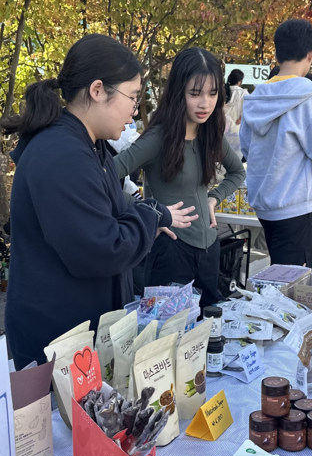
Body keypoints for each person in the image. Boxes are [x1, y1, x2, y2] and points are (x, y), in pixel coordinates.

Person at [4, 34, 196, 369]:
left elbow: (113, 220)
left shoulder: (89, 147)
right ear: (97, 90)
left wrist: (149, 220)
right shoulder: (62, 155)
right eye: (132, 98)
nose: (134, 112)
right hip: (56, 344)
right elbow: (102, 249)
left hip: (79, 336)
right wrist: (149, 217)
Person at [114, 47, 245, 308]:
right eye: (195, 93)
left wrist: (213, 198)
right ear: (178, 93)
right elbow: (101, 177)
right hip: (171, 250)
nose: (205, 103)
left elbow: (238, 172)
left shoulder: (212, 134)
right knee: (166, 339)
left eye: (212, 93)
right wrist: (147, 213)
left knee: (209, 334)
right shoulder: (157, 138)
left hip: (210, 247)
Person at [240, 19, 312, 266]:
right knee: (291, 283)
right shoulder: (310, 96)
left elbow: (247, 148)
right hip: (294, 205)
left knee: (276, 272)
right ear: (311, 54)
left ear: (276, 53)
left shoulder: (257, 96)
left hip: (263, 203)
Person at [224, 68, 246, 134]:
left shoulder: (223, 91)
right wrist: (240, 119)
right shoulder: (244, 93)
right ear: (240, 81)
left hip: (222, 128)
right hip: (237, 129)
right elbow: (248, 109)